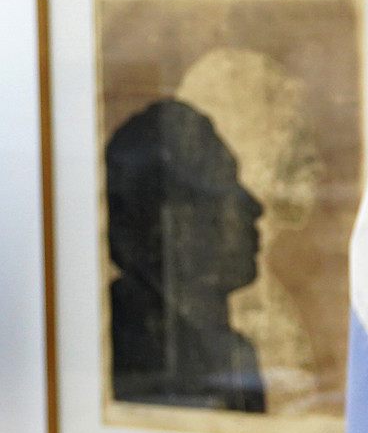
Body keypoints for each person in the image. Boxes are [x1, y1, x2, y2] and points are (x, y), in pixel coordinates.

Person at [107, 99, 267, 413]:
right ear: (163, 224)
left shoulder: (234, 354)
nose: (254, 206)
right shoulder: (124, 345)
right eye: (221, 186)